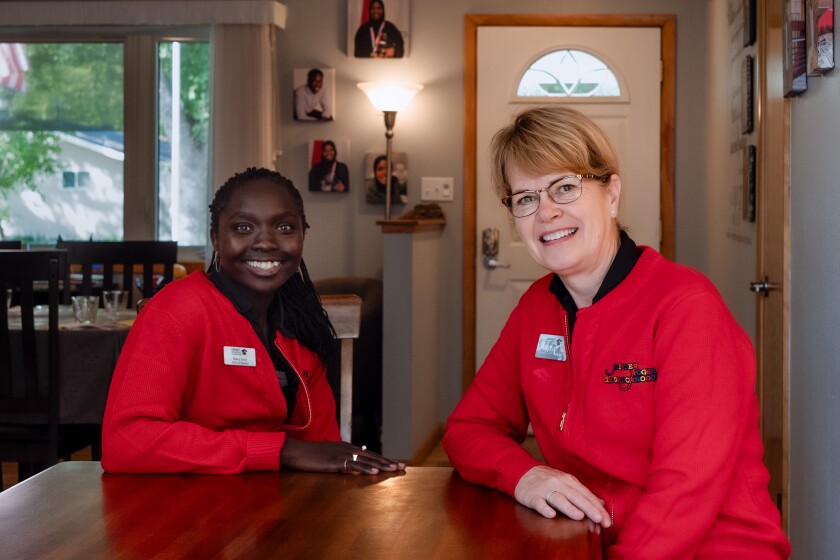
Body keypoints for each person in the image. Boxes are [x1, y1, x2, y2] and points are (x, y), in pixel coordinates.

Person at [442, 107, 791, 559]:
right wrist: (525, 475)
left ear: (611, 194)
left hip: (713, 547)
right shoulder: (536, 307)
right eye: (525, 198)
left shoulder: (687, 307)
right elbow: (470, 428)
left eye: (565, 187)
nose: (546, 212)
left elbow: (685, 490)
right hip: (589, 544)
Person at [102, 167, 403, 476]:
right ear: (215, 238)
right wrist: (280, 449)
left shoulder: (301, 323)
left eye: (285, 227)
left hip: (274, 510)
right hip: (182, 510)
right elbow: (126, 442)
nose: (266, 242)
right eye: (243, 228)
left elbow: (321, 448)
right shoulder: (178, 310)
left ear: (302, 236)